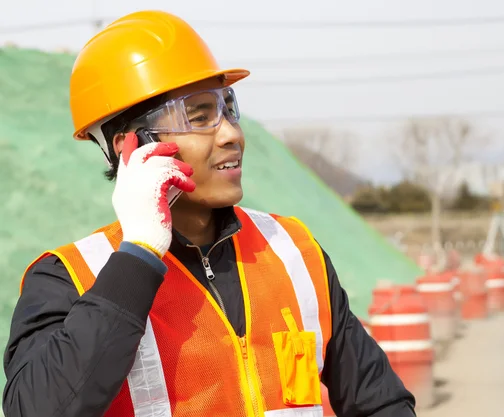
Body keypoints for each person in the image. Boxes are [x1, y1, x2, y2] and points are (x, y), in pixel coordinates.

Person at [2, 10, 416, 417]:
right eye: (199, 117)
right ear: (131, 146)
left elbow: (380, 401)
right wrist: (140, 254)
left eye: (228, 109)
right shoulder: (68, 277)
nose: (232, 134)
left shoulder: (294, 252)